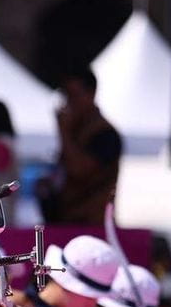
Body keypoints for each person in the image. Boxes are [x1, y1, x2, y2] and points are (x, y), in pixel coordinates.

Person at [39, 69, 122, 226]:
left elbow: (79, 170)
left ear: (91, 94)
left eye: (73, 95)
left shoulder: (105, 134)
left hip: (93, 226)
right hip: (68, 223)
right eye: (66, 96)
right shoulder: (76, 132)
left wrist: (63, 131)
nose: (68, 103)